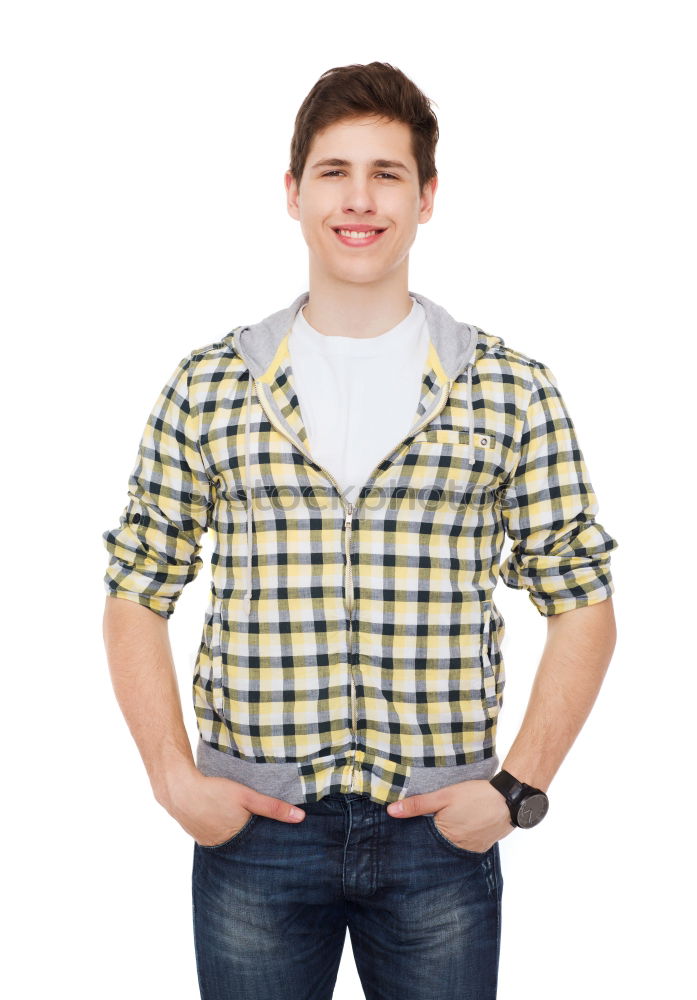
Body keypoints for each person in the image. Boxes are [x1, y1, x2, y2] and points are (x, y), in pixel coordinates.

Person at [102, 61, 618, 1000]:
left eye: (387, 173)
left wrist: (514, 792)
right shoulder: (210, 384)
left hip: (438, 835)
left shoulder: (508, 388)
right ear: (293, 191)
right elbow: (137, 586)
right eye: (335, 171)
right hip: (255, 834)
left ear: (426, 198)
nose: (360, 199)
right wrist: (172, 778)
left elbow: (581, 600)